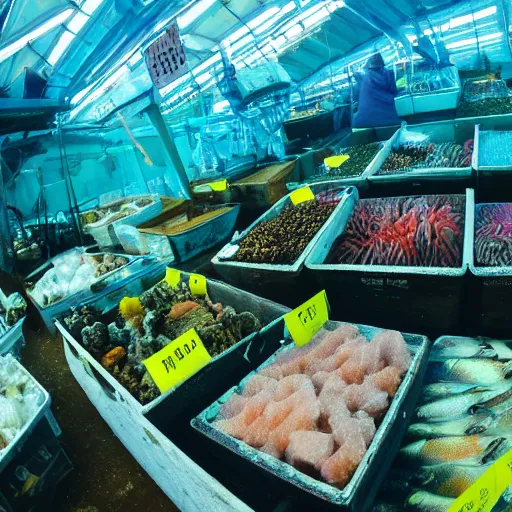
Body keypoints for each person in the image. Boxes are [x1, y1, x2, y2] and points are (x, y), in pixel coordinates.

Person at [353, 53, 401, 128]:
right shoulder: (389, 74)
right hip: (388, 120)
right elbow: (394, 92)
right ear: (382, 64)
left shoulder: (364, 77)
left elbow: (356, 77)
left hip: (362, 121)